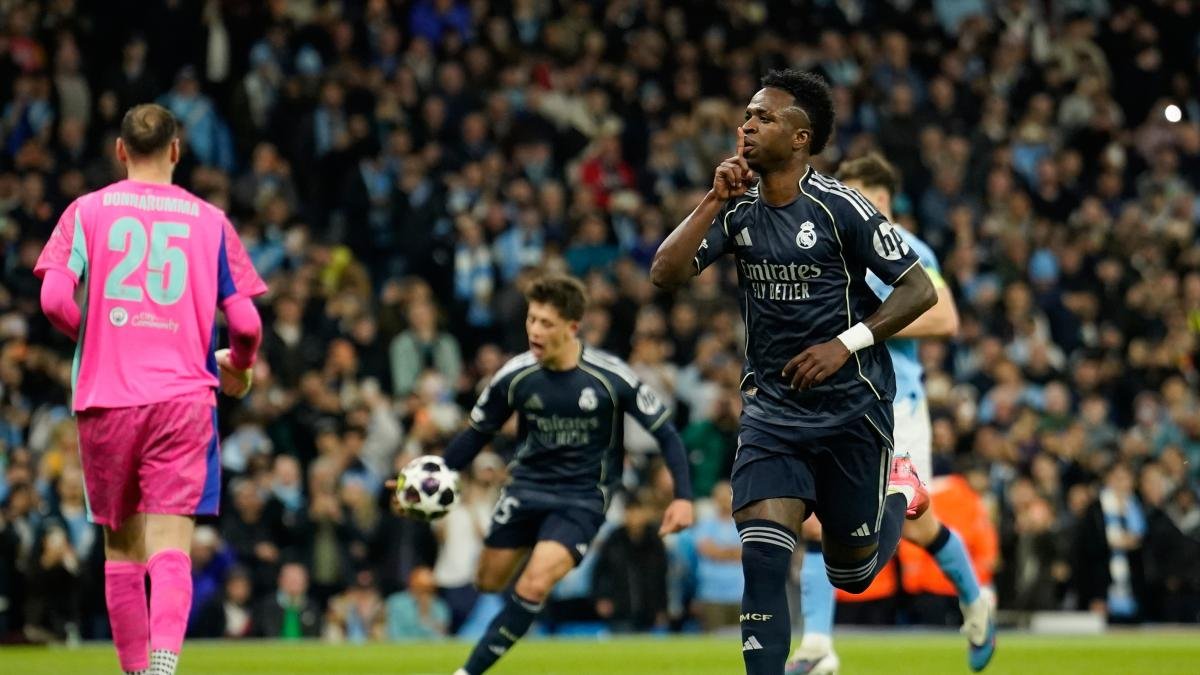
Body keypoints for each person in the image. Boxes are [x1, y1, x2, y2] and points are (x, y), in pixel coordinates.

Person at [651, 69, 936, 674]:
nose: (747, 126)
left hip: (852, 410)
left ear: (801, 138)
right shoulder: (737, 208)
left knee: (851, 573)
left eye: (764, 117)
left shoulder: (841, 207)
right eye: (747, 116)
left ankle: (899, 489)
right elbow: (664, 274)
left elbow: (919, 290)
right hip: (773, 414)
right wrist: (711, 200)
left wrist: (845, 344)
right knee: (763, 559)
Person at [35, 103, 266, 675]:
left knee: (121, 549)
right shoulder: (210, 220)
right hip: (183, 399)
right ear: (176, 151)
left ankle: (135, 672)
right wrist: (239, 367)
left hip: (106, 398)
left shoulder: (86, 211)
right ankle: (163, 667)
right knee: (170, 546)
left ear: (120, 151)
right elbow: (246, 325)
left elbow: (54, 299)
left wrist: (94, 335)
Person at [391, 274, 695, 675]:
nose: (534, 330)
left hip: (583, 497)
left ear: (572, 327)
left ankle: (467, 672)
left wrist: (683, 497)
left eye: (546, 323)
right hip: (526, 489)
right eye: (531, 319)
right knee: (487, 581)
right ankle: (533, 568)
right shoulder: (515, 376)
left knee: (533, 584)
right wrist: (425, 484)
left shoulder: (610, 376)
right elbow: (476, 434)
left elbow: (666, 433)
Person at [787, 154, 997, 674]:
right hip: (838, 406)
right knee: (818, 520)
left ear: (881, 200)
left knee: (915, 528)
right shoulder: (833, 248)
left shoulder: (907, 246)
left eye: (857, 195)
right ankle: (817, 647)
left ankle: (975, 602)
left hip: (897, 405)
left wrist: (859, 330)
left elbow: (945, 319)